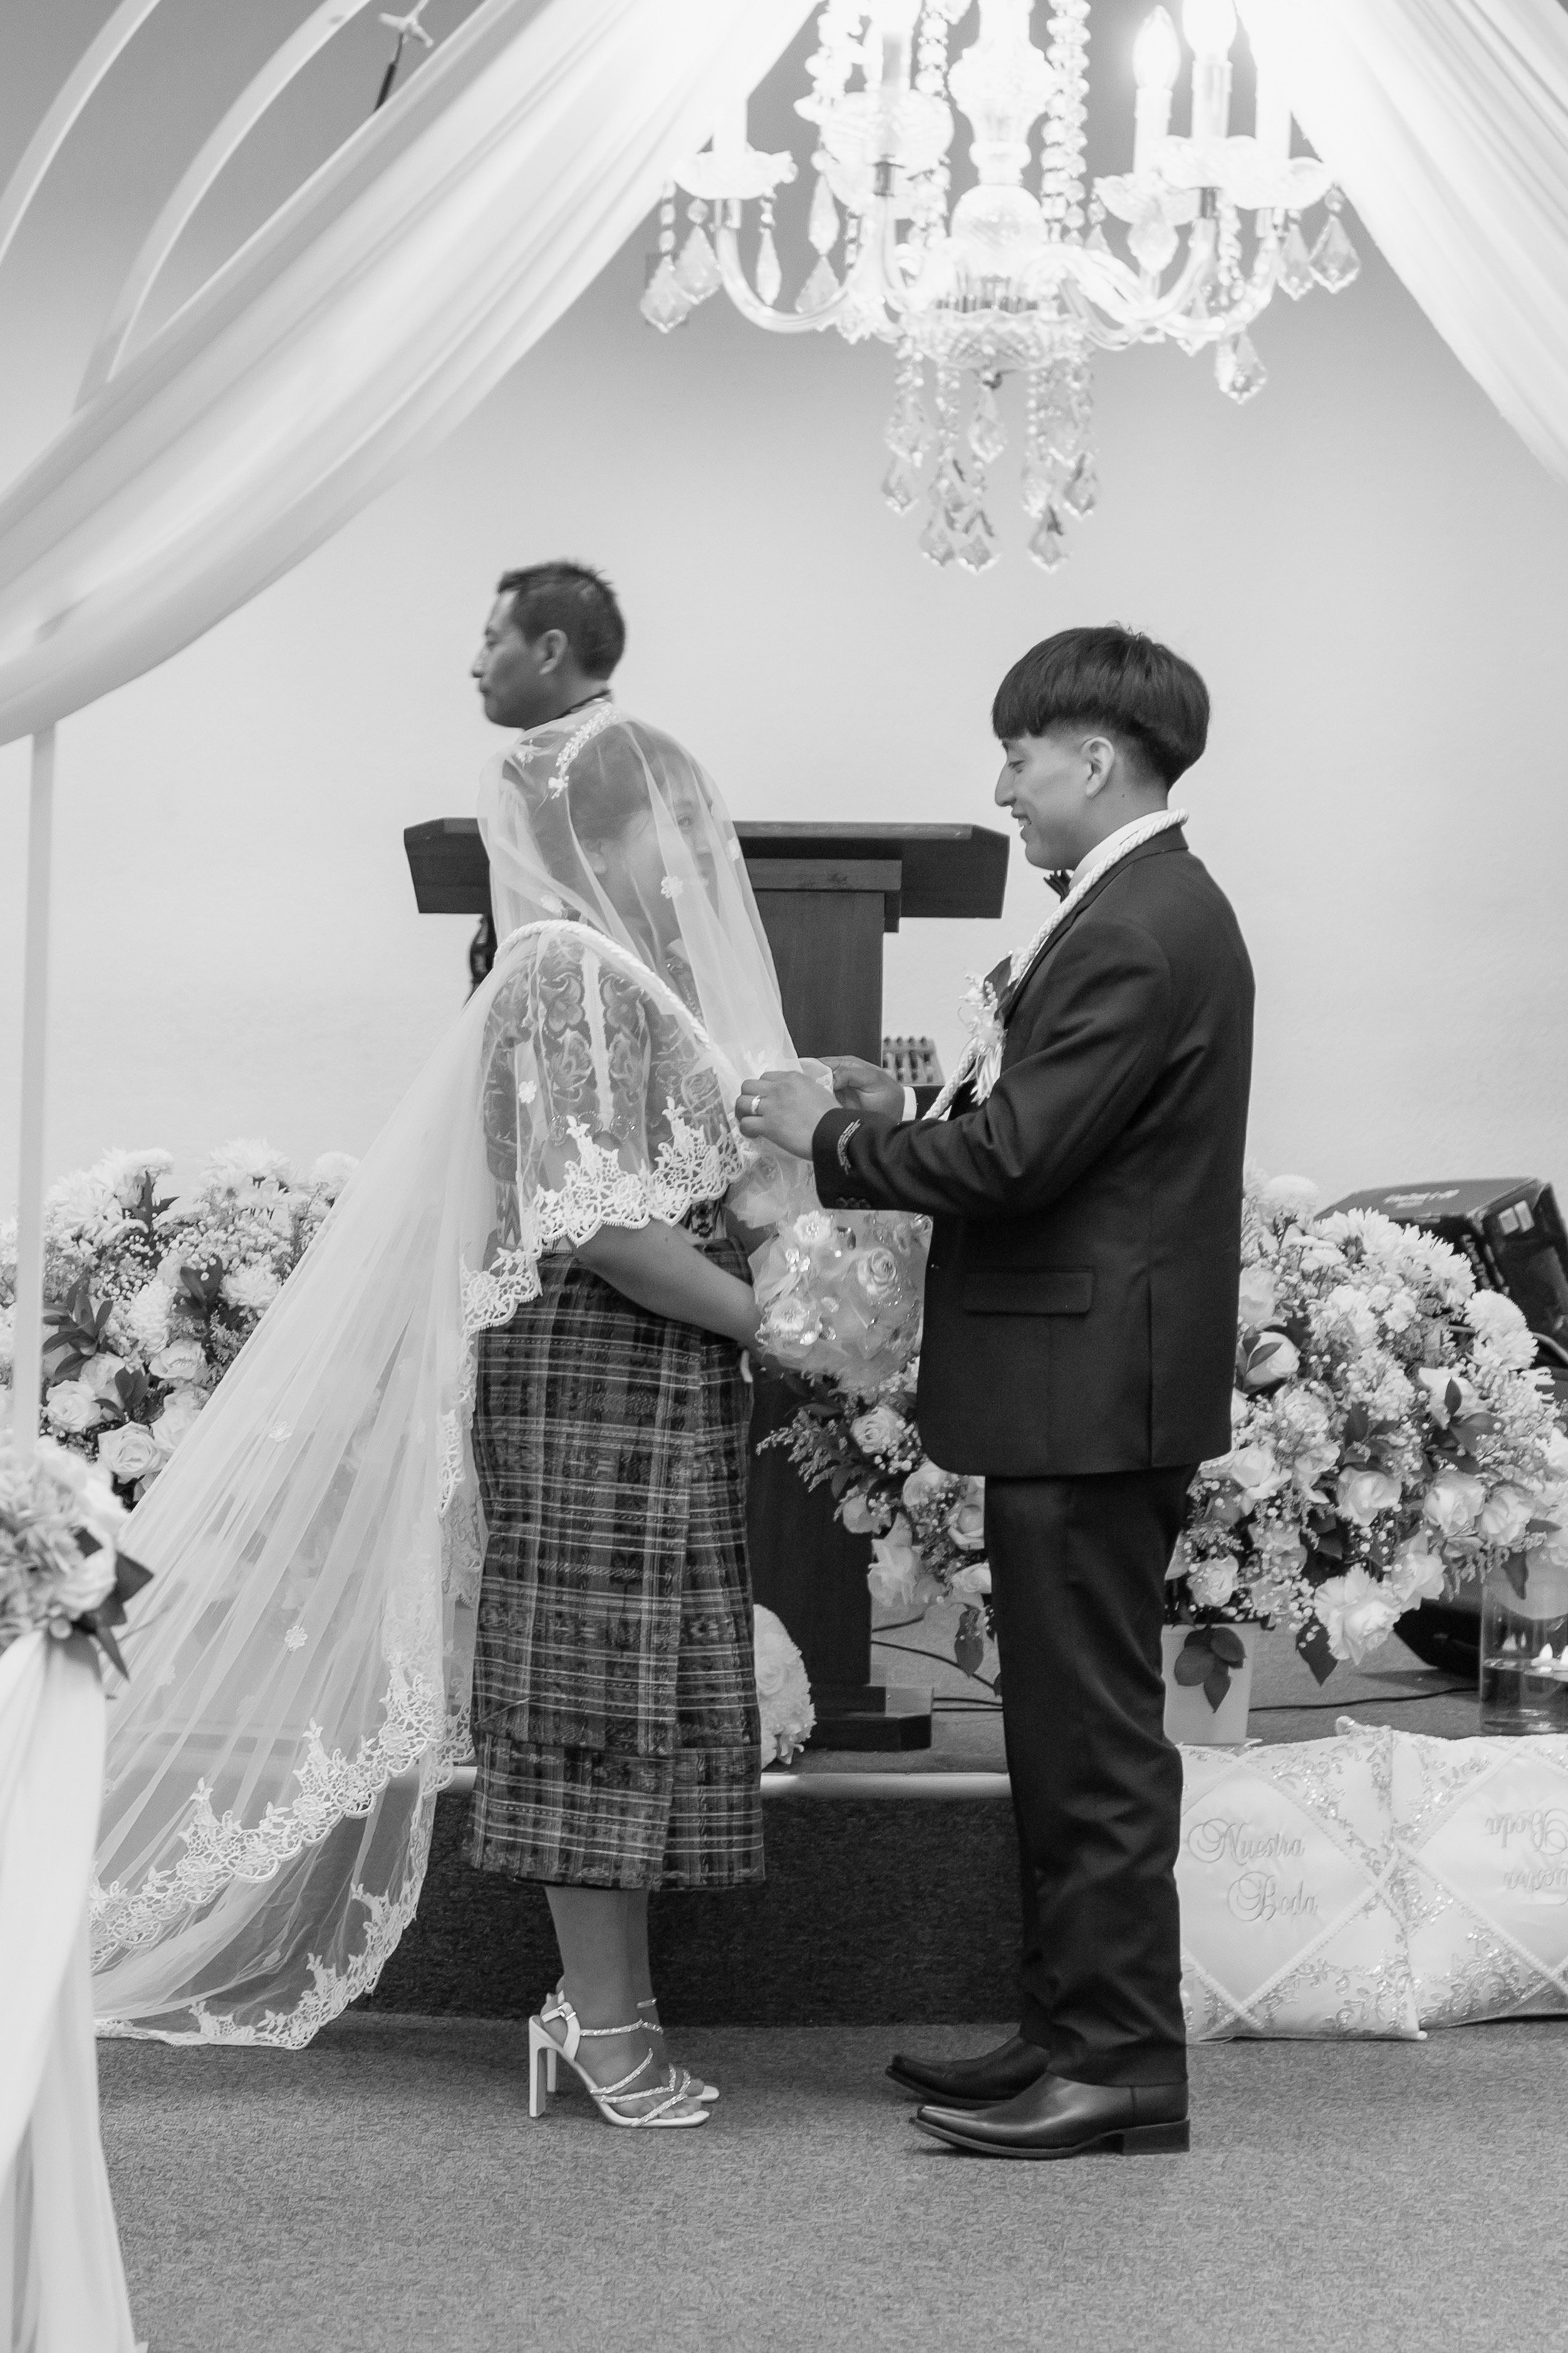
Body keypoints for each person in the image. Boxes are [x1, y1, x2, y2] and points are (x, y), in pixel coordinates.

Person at [93, 565, 806, 2127]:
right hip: (589, 1365)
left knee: (654, 1691)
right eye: (676, 832)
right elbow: (590, 1224)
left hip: (661, 1371)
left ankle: (596, 2007)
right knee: (591, 1699)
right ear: (611, 828)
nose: (696, 861)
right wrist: (777, 1316)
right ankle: (608, 2028)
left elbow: (685, 1185)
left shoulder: (639, 984)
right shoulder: (559, 973)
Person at [736, 626, 1254, 2161]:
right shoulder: (1129, 906)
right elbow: (1029, 1117)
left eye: (1021, 757)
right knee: (1061, 1733)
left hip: (1091, 1394)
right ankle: (1066, 2030)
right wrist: (905, 1109)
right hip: (1077, 1387)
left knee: (1091, 1747)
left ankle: (1122, 2067)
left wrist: (825, 1141)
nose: (1004, 787)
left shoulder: (1145, 923)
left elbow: (1022, 1160)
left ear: (1095, 757)